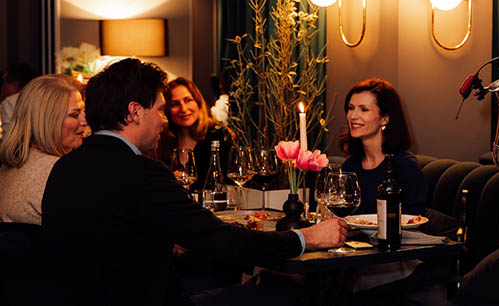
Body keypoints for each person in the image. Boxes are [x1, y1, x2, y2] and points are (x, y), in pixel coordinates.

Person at [40, 58, 347, 306]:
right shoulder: (143, 173)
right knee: (291, 293)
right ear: (134, 112)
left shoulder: (65, 167)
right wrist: (308, 237)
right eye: (160, 109)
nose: (164, 120)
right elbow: (227, 242)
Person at [0, 75, 86, 224]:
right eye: (75, 115)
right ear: (48, 121)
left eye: (83, 112)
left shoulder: (10, 164)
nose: (84, 121)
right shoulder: (60, 171)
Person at [339, 79, 427, 216]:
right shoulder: (350, 166)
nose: (353, 116)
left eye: (364, 109)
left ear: (384, 118)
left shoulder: (405, 166)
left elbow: (414, 219)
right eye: (351, 108)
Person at [155, 77, 231, 191]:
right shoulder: (161, 143)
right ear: (167, 110)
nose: (184, 109)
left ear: (198, 102)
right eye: (175, 104)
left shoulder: (219, 136)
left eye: (188, 100)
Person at [0, 63, 39, 137]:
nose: (2, 89)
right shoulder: (41, 97)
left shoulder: (8, 102)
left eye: (5, 83)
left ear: (16, 85)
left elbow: (8, 136)